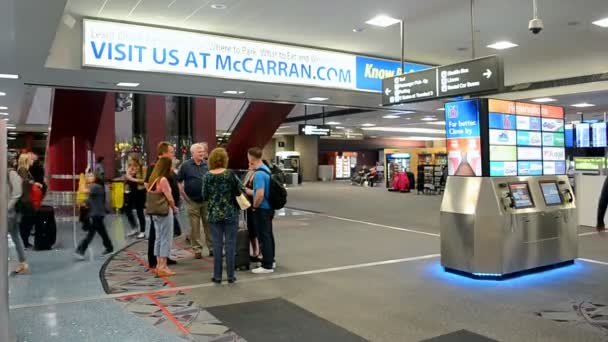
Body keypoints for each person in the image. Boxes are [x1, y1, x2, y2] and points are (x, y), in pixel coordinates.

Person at [203, 148, 240, 284]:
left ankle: (217, 276)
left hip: (214, 214)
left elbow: (204, 195)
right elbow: (239, 190)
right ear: (225, 159)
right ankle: (231, 275)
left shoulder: (207, 176)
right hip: (230, 213)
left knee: (217, 245)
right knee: (231, 244)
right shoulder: (230, 174)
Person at [145, 142, 179, 269]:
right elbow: (148, 186)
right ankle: (158, 262)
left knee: (161, 236)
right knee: (161, 236)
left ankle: (162, 259)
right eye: (171, 152)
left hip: (162, 208)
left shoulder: (165, 171)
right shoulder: (156, 170)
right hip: (163, 207)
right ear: (163, 153)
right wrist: (173, 205)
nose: (173, 154)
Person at [177, 143, 212, 258]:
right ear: (193, 153)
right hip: (191, 201)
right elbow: (179, 181)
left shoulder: (207, 165)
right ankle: (197, 249)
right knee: (194, 226)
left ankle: (212, 248)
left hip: (207, 200)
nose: (202, 153)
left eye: (203, 151)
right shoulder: (185, 165)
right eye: (199, 152)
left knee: (209, 225)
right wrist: (183, 195)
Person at [246, 147, 276, 274]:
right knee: (268, 235)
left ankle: (267, 265)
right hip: (269, 208)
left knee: (263, 237)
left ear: (251, 158)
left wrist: (254, 206)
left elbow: (259, 194)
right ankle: (271, 260)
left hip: (262, 209)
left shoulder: (258, 174)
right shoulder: (266, 170)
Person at [74, 173, 114, 258]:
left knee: (91, 233)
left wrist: (82, 180)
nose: (88, 177)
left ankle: (81, 250)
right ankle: (109, 247)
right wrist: (85, 203)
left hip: (97, 214)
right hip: (97, 213)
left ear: (95, 178)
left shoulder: (96, 186)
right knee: (102, 232)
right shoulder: (95, 187)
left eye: (90, 176)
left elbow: (83, 190)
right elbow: (91, 199)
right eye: (87, 176)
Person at [8, 157, 28, 273]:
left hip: (11, 212)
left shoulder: (11, 173)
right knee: (16, 236)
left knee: (14, 236)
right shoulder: (10, 173)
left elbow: (17, 193)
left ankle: (22, 263)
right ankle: (23, 263)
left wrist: (7, 207)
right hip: (12, 211)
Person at [17, 153, 40, 249]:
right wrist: (34, 183)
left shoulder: (25, 170)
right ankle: (23, 241)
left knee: (27, 221)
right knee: (26, 221)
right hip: (24, 200)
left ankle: (25, 241)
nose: (32, 161)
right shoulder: (22, 170)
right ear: (26, 160)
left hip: (26, 198)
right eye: (30, 160)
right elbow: (25, 182)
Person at [124, 156, 146, 238]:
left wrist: (132, 178)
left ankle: (142, 231)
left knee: (139, 211)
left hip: (139, 191)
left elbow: (144, 180)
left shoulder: (142, 168)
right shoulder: (129, 168)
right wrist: (128, 174)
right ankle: (134, 228)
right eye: (129, 161)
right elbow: (126, 180)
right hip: (130, 191)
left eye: (131, 160)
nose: (130, 162)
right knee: (128, 210)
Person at [243, 168, 260, 260]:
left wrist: (247, 191)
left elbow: (260, 193)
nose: (248, 165)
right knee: (251, 230)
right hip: (249, 206)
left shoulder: (260, 174)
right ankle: (255, 251)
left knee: (258, 231)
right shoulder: (249, 173)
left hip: (257, 207)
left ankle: (260, 253)